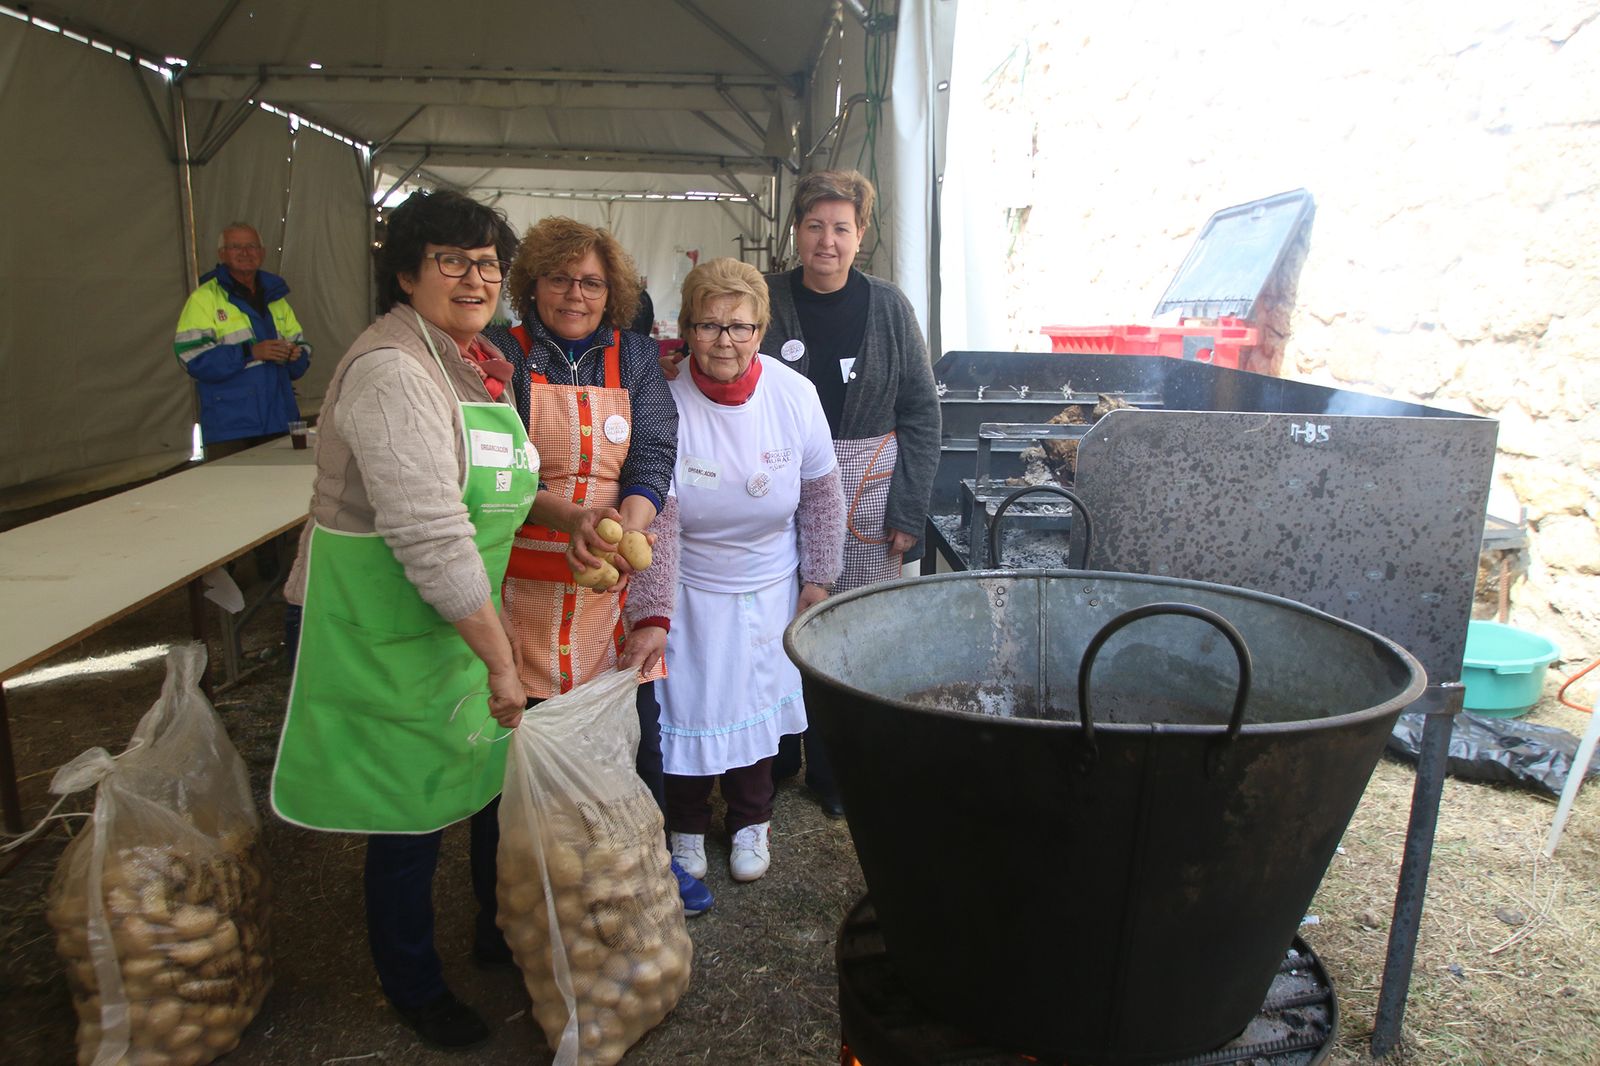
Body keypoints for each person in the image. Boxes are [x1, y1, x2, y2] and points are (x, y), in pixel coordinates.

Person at [270, 190, 537, 1051]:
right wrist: (501, 661)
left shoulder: (473, 360)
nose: (476, 278)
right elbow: (429, 533)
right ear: (405, 272)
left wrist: (564, 522)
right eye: (452, 262)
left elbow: (488, 486)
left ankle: (489, 935)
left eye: (489, 264)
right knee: (407, 816)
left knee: (467, 781)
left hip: (450, 621)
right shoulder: (392, 371)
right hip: (376, 623)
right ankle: (414, 985)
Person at [662, 170, 941, 817]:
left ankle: (838, 771)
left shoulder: (890, 308)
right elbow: (715, 339)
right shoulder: (768, 298)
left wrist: (908, 510)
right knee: (780, 626)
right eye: (815, 225)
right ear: (796, 231)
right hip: (775, 484)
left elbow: (922, 412)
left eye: (841, 228)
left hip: (871, 485)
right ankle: (779, 751)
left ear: (860, 236)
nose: (827, 240)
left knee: (852, 636)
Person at [485, 217, 713, 916]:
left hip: (610, 592)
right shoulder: (501, 354)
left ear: (611, 290)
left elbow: (651, 455)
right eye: (558, 278)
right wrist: (574, 521)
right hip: (516, 594)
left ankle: (638, 874)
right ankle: (512, 904)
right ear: (530, 286)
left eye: (591, 281)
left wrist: (623, 532)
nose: (575, 294)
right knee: (515, 759)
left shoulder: (636, 357)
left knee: (635, 743)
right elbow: (500, 470)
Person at [642, 257, 844, 884]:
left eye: (741, 327)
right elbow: (662, 515)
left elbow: (821, 493)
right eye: (708, 326)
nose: (724, 341)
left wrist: (818, 578)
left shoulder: (794, 394)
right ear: (686, 330)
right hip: (692, 584)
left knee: (756, 705)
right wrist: (655, 609)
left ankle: (752, 820)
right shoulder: (665, 398)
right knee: (692, 706)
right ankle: (687, 827)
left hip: (770, 581)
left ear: (761, 329)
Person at [173, 223, 313, 457]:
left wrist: (295, 355)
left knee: (278, 489)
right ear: (222, 254)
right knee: (230, 491)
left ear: (262, 252)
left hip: (279, 418)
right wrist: (250, 352)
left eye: (251, 246)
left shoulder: (276, 297)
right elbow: (191, 358)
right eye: (236, 247)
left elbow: (302, 347)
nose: (245, 253)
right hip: (230, 425)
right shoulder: (204, 299)